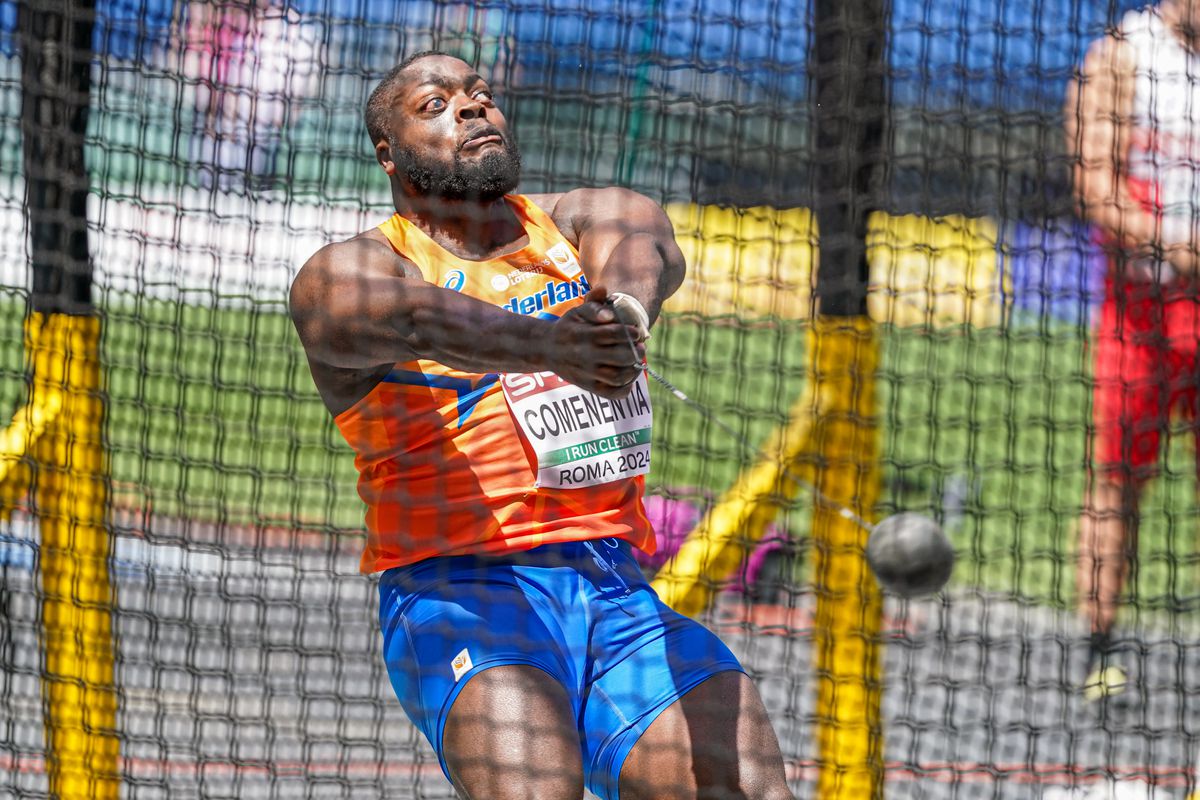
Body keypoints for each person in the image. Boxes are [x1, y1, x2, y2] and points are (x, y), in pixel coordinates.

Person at [288, 51, 794, 800]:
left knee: (743, 783)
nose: (469, 108)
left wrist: (619, 314)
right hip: (461, 593)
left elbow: (643, 240)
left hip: (613, 589)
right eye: (435, 105)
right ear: (387, 155)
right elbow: (417, 317)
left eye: (480, 95)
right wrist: (554, 346)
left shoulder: (577, 222)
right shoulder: (353, 270)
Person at [1064, 0, 1200, 707]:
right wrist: (1174, 246)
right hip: (1143, 309)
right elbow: (1095, 187)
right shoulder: (1122, 55)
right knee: (1116, 480)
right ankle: (1100, 651)